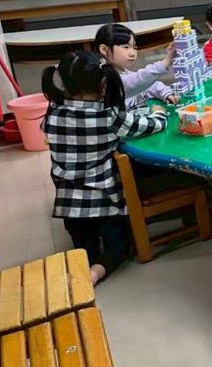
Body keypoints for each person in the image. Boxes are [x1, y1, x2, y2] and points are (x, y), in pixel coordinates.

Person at [41, 51, 168, 284]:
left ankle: (80, 269)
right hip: (104, 201)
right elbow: (152, 125)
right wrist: (159, 113)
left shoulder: (53, 113)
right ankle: (93, 275)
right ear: (102, 84)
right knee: (119, 246)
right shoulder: (107, 116)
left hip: (69, 205)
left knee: (84, 247)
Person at [94, 23, 178, 111]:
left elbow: (149, 85)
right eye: (126, 47)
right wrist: (166, 61)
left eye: (134, 48)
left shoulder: (124, 72)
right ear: (104, 50)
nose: (132, 53)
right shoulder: (105, 79)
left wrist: (166, 94)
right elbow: (136, 81)